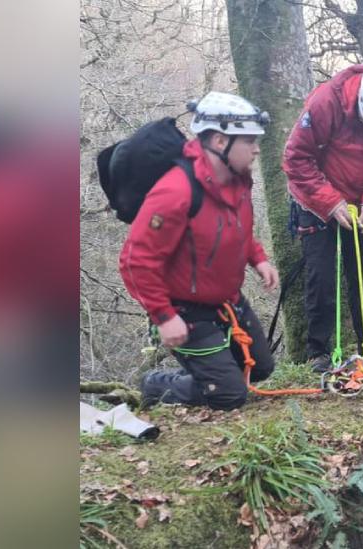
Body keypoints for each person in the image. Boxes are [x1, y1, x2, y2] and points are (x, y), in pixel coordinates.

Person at [120, 91, 280, 410]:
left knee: (261, 369)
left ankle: (212, 372)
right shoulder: (175, 192)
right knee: (230, 395)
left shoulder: (238, 181)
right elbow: (134, 262)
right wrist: (164, 317)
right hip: (185, 310)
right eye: (249, 141)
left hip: (226, 302)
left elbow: (238, 229)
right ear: (220, 142)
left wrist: (258, 258)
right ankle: (157, 385)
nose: (257, 149)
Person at [283, 64, 363, 372]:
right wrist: (330, 202)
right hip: (316, 199)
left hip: (361, 202)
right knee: (322, 277)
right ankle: (318, 352)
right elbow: (295, 159)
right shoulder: (327, 102)